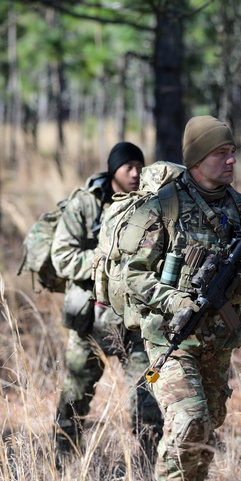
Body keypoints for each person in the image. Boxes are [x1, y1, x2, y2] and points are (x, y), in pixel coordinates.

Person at [115, 115, 241, 481]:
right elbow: (134, 276)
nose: (231, 162)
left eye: (232, 153)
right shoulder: (164, 206)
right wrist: (177, 302)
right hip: (170, 339)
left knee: (207, 428)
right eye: (221, 153)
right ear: (196, 158)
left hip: (218, 341)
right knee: (189, 420)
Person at [52, 142, 163, 461]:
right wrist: (105, 263)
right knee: (74, 399)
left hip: (137, 322)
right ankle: (64, 465)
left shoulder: (151, 205)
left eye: (139, 166)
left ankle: (149, 476)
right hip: (91, 319)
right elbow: (62, 257)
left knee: (149, 401)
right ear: (112, 169)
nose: (135, 173)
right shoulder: (85, 205)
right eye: (127, 166)